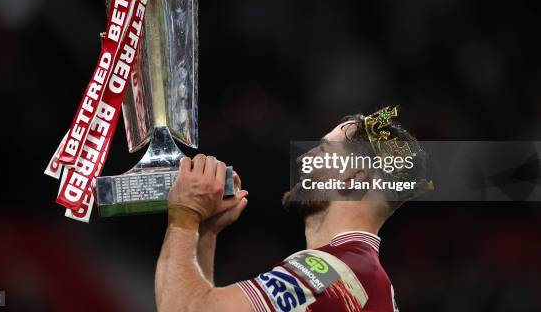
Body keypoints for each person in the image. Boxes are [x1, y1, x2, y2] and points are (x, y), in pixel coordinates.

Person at [155, 107, 432, 312]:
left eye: (323, 152)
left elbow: (184, 309)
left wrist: (185, 213)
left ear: (354, 178)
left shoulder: (332, 272)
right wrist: (205, 233)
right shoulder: (361, 276)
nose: (303, 159)